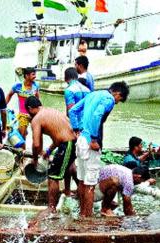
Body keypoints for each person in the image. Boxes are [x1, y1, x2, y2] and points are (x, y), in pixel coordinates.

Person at [69, 81, 130, 216]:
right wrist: (94, 139)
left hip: (81, 140)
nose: (117, 102)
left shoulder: (93, 94)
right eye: (119, 100)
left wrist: (76, 128)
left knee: (82, 181)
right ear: (117, 93)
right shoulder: (109, 99)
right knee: (90, 184)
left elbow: (73, 110)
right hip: (90, 143)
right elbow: (97, 115)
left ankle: (82, 214)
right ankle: (88, 219)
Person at [26, 96, 76, 213]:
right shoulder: (50, 111)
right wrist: (48, 151)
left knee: (53, 176)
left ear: (29, 108)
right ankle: (68, 192)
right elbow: (58, 135)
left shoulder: (36, 119)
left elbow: (36, 144)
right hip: (71, 141)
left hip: (67, 143)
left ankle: (51, 207)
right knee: (68, 167)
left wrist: (35, 160)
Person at [63, 67, 89, 196]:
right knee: (82, 161)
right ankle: (82, 188)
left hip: (75, 129)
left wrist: (74, 129)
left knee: (68, 160)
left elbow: (71, 110)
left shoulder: (69, 90)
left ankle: (67, 190)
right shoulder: (87, 90)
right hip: (87, 129)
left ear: (66, 78)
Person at [5, 67, 39, 148]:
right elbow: (9, 95)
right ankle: (23, 155)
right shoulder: (18, 86)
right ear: (27, 76)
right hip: (23, 115)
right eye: (33, 74)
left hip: (34, 115)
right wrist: (3, 107)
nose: (35, 76)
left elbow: (38, 99)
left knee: (37, 134)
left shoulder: (36, 86)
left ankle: (37, 153)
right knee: (22, 136)